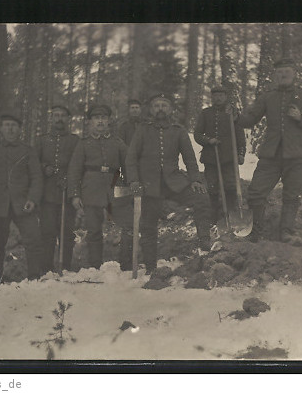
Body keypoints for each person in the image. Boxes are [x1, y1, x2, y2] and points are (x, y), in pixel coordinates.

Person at [232, 57, 302, 242]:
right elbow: (250, 119)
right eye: (279, 72)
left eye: (287, 72)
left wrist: (301, 117)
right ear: (275, 75)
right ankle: (256, 231)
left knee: (291, 195)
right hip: (271, 155)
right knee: (256, 192)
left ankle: (286, 232)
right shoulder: (268, 96)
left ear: (294, 74)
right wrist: (235, 117)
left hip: (297, 155)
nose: (283, 75)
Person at [125, 93, 212, 273]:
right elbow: (131, 158)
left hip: (174, 183)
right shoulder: (142, 130)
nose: (160, 109)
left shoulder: (178, 130)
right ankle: (150, 267)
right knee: (148, 225)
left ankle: (204, 241)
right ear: (151, 110)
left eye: (164, 106)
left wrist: (195, 179)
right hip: (149, 186)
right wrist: (134, 180)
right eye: (156, 106)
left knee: (201, 197)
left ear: (170, 110)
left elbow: (189, 158)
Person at [0, 113, 46, 282]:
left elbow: (37, 178)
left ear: (19, 129)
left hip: (23, 204)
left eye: (13, 125)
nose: (10, 129)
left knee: (33, 239)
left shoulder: (28, 151)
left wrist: (32, 199)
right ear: (1, 129)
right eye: (6, 125)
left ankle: (35, 278)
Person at [67, 105, 129, 270]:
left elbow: (129, 166)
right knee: (93, 230)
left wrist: (131, 187)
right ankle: (95, 267)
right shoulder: (83, 144)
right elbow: (74, 170)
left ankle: (127, 266)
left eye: (103, 118)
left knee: (127, 226)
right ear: (90, 122)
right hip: (91, 190)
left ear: (109, 121)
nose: (100, 121)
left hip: (115, 188)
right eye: (96, 118)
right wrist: (75, 194)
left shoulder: (118, 143)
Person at [35, 105, 79, 272]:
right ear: (51, 118)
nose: (59, 119)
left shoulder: (75, 141)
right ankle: (46, 268)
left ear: (68, 119)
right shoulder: (41, 140)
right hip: (47, 195)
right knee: (47, 233)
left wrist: (69, 179)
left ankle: (65, 267)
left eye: (63, 116)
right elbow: (33, 163)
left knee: (67, 234)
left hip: (67, 195)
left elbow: (79, 164)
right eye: (56, 115)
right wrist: (44, 167)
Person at [193, 85, 246, 224]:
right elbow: (197, 134)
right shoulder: (205, 113)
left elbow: (240, 135)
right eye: (215, 96)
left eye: (221, 95)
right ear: (212, 98)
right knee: (212, 187)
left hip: (229, 157)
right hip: (211, 157)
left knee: (230, 186)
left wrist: (241, 154)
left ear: (225, 97)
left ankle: (232, 216)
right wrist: (209, 140)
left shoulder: (232, 114)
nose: (218, 98)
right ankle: (214, 217)